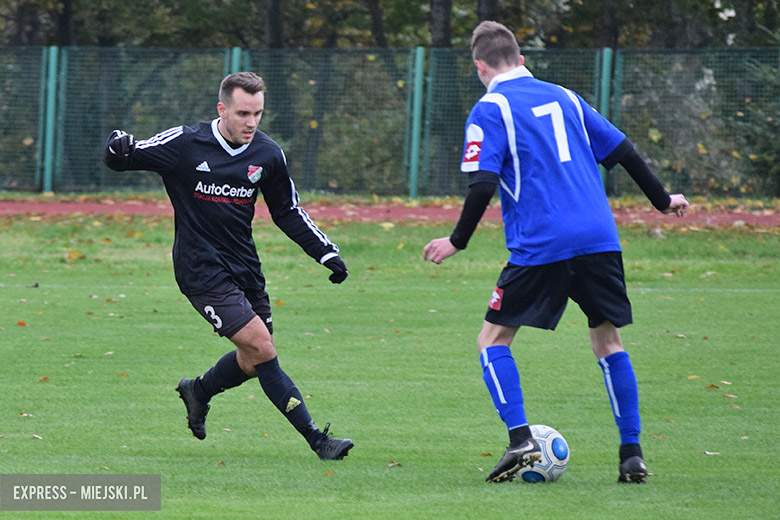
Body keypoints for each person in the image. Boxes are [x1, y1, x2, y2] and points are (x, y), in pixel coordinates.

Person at [423, 21, 689, 484]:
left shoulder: (491, 108)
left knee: (492, 340)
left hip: (542, 243)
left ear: (479, 66)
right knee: (608, 342)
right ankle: (632, 454)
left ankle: (520, 438)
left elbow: (483, 181)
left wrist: (457, 240)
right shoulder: (565, 96)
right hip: (599, 238)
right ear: (522, 59)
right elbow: (623, 151)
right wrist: (663, 201)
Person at [104, 71, 354, 460]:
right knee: (263, 348)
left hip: (244, 267)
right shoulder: (187, 143)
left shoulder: (267, 154)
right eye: (243, 113)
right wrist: (117, 147)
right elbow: (128, 156)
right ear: (222, 109)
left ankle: (199, 390)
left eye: (258, 113)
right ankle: (318, 440)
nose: (251, 122)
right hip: (199, 268)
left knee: (254, 360)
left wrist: (325, 252)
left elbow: (287, 211)